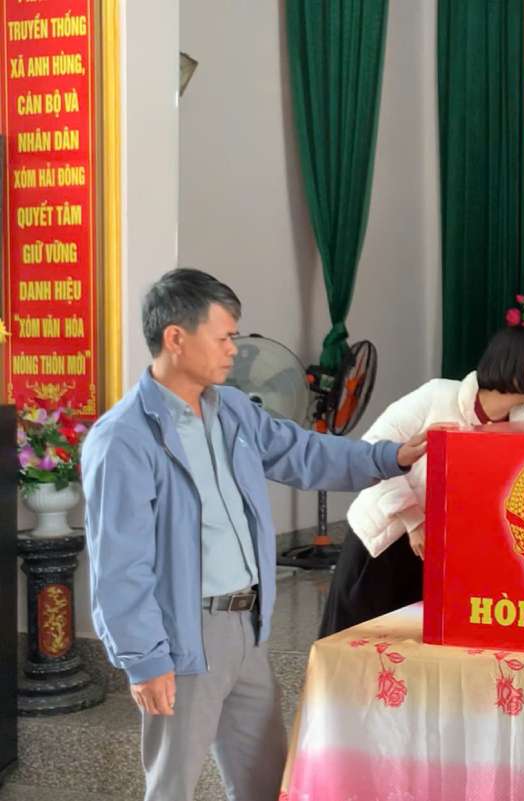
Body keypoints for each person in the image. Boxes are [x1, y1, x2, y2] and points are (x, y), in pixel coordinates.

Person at [82, 268, 427, 801]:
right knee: (173, 785)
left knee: (266, 780)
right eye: (222, 337)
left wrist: (389, 457)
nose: (232, 351)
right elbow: (118, 565)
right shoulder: (123, 440)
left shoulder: (233, 409)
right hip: (185, 635)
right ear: (176, 338)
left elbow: (305, 454)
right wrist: (144, 660)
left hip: (247, 628)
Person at [318, 326, 524, 637]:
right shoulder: (438, 395)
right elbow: (374, 452)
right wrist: (415, 522)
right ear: (511, 357)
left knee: (409, 652)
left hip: (439, 554)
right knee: (354, 642)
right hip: (384, 540)